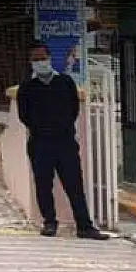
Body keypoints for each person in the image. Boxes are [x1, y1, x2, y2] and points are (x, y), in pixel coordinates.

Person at [16, 41, 108, 240]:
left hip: (65, 142)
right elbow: (24, 115)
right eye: (36, 59)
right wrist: (41, 129)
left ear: (50, 58)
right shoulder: (27, 87)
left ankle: (84, 226)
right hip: (40, 143)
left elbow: (74, 108)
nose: (41, 62)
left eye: (43, 58)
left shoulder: (65, 82)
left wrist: (62, 127)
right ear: (30, 62)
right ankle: (49, 222)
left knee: (74, 185)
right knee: (43, 184)